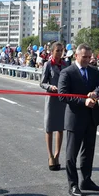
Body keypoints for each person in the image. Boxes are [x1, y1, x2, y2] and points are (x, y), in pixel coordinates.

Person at [58, 43, 99, 196]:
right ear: (76, 56)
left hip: (91, 117)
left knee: (88, 151)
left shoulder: (93, 71)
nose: (87, 60)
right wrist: (83, 101)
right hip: (75, 118)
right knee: (71, 154)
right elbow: (62, 95)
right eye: (84, 57)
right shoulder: (67, 72)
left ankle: (86, 180)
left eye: (89, 57)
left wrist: (96, 93)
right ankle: (73, 185)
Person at [40, 42, 67, 171]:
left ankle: (57, 155)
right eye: (57, 50)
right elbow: (42, 82)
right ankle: (50, 156)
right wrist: (50, 87)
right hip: (51, 99)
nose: (59, 53)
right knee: (50, 128)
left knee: (61, 128)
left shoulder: (65, 65)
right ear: (52, 52)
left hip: (62, 100)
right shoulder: (48, 64)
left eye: (61, 50)